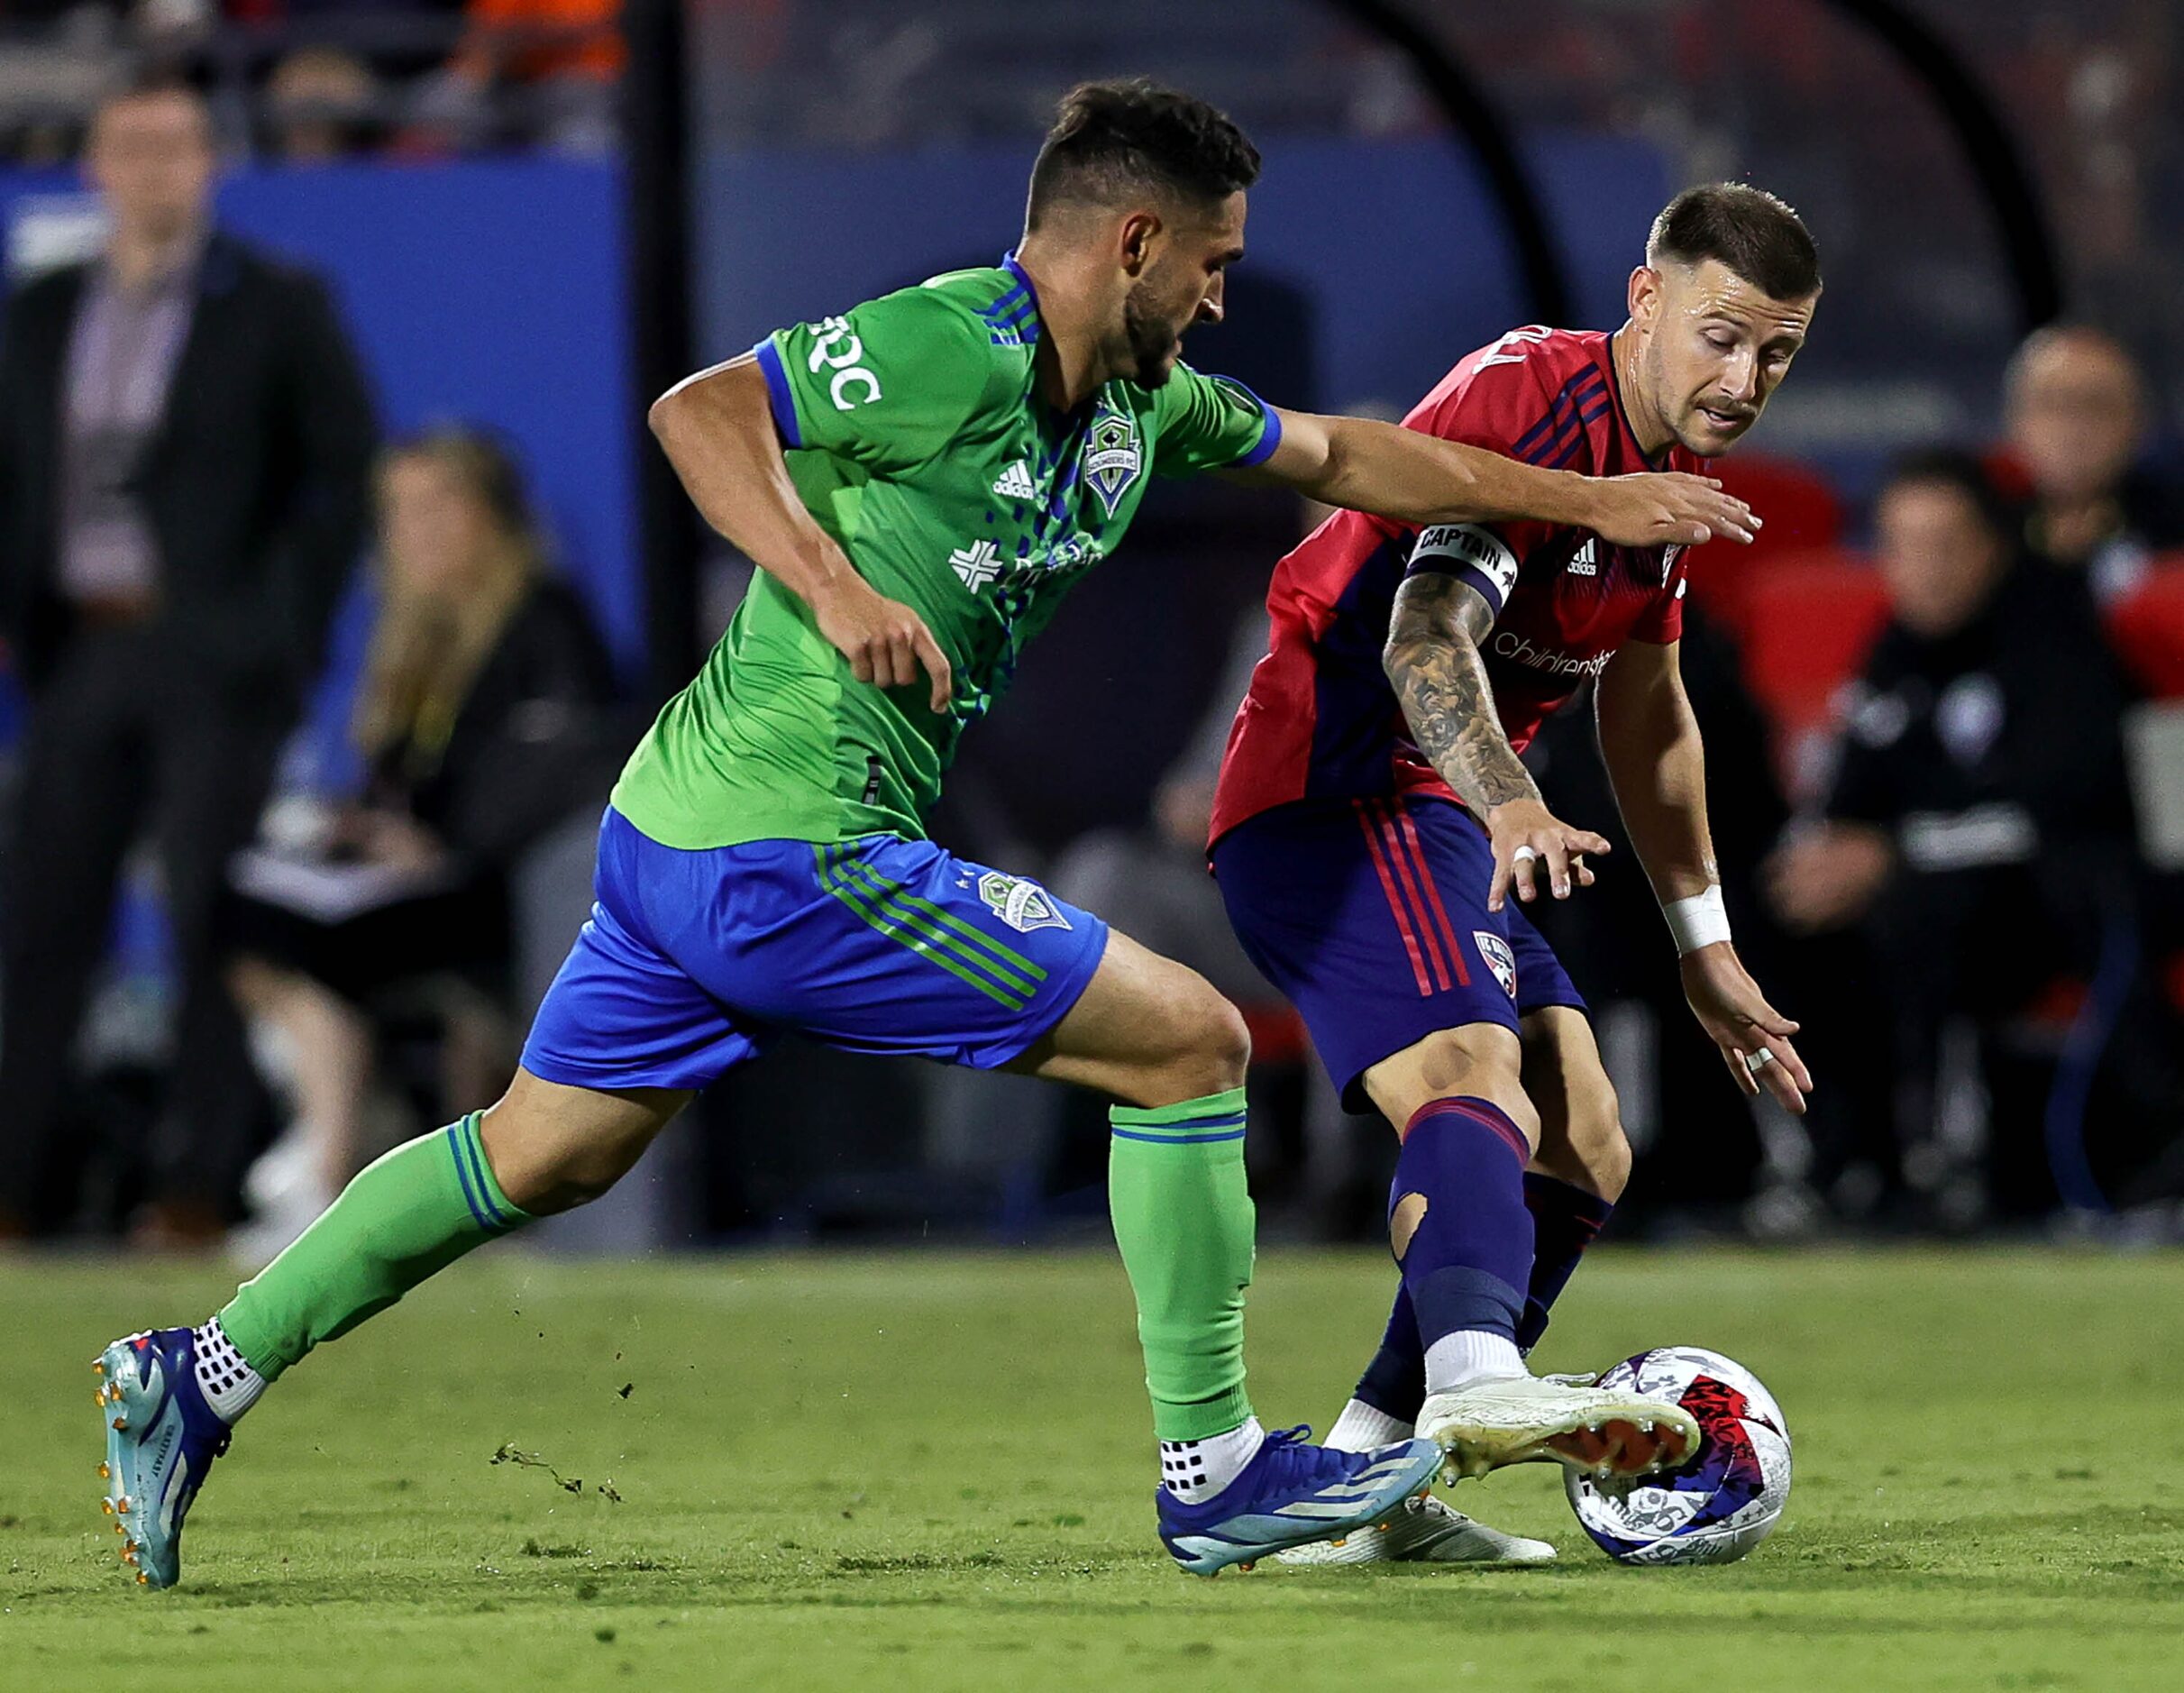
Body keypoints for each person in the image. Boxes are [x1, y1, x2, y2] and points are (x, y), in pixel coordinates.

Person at [96, 78, 1755, 1589]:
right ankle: (1218, 1469)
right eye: (1212, 264)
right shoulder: (953, 338)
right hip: (785, 841)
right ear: (1132, 241)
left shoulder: (1139, 408)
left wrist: (1589, 502)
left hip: (678, 834)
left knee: (542, 1150)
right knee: (1181, 1044)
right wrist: (832, 579)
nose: (1222, 296)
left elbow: (1344, 454)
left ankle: (198, 1373)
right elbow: (698, 412)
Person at [1209, 183, 1822, 1564]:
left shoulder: (1657, 485)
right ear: (1643, 296)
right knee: (1467, 1071)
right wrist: (1505, 799)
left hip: (1436, 817)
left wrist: (1703, 945)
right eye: (1719, 336)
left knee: (1585, 1139)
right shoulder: (1531, 399)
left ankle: (1362, 1481)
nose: (1742, 380)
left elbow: (1649, 711)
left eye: (1776, 352)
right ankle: (1476, 1378)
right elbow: (1425, 633)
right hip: (1338, 790)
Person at [0, 76, 377, 1243]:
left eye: (176, 145)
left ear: (211, 162)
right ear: (93, 164)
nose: (155, 166)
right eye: (132, 144)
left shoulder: (273, 301)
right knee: (41, 918)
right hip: (80, 645)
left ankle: (196, 1185)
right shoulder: (43, 309)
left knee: (215, 922)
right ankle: (16, 1182)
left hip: (212, 655)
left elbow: (339, 472)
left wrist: (279, 632)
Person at [224, 429, 619, 1264]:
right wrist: (359, 827)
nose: (416, 531)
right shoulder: (415, 639)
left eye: (439, 507)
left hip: (508, 892)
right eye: (398, 512)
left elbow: (574, 759)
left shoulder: (544, 615)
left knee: (308, 938)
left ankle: (330, 1172)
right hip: (416, 886)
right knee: (254, 913)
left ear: (493, 516)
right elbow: (403, 780)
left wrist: (443, 840)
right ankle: (329, 1161)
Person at [1767, 450, 2166, 1221]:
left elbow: (2057, 807)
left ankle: (1946, 1160)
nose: (1924, 571)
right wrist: (1820, 856)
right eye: (1902, 547)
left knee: (1914, 915)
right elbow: (1852, 792)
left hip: (2047, 898)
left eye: (1944, 546)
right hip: (1925, 886)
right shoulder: (1897, 647)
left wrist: (1894, 854)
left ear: (1991, 547)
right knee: (1770, 912)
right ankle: (1825, 1167)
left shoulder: (2053, 636)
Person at [2001, 324, 2184, 603]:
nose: (2073, 428)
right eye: (2052, 404)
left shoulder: (2172, 525)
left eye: (2097, 406)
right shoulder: (1983, 529)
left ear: (2138, 423)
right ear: (2015, 421)